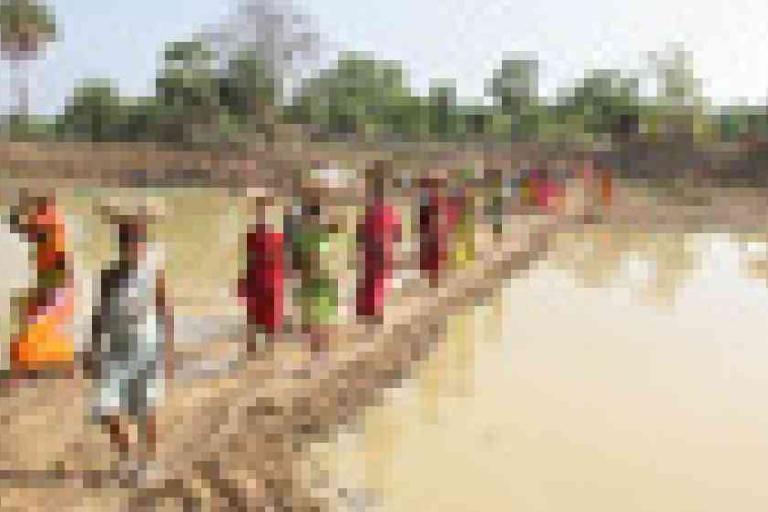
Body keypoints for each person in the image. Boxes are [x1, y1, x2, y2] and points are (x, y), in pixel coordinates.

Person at [88, 203, 173, 483]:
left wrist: (168, 350)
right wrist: (93, 349)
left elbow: (165, 310)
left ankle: (151, 461)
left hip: (148, 345)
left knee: (146, 408)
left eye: (137, 239)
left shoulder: (154, 272)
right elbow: (98, 315)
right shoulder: (108, 276)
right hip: (117, 348)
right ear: (120, 244)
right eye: (126, 239)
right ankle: (127, 453)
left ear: (144, 243)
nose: (132, 246)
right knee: (105, 408)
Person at [7, 194, 75, 379]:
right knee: (35, 319)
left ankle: (38, 361)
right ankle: (41, 361)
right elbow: (28, 231)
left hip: (56, 283)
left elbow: (61, 263)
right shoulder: (50, 225)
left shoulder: (52, 226)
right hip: (52, 282)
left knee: (36, 323)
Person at [238, 191, 285, 350]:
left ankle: (265, 354)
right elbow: (249, 259)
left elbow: (278, 261)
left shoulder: (274, 235)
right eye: (261, 210)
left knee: (267, 322)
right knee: (254, 318)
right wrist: (243, 279)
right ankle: (256, 352)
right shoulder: (254, 236)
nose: (263, 214)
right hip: (259, 278)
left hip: (269, 280)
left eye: (265, 209)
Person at [356, 169, 401, 322]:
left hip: (375, 247)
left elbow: (362, 230)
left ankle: (370, 309)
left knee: (372, 278)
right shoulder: (386, 210)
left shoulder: (374, 209)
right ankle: (373, 309)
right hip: (381, 247)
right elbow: (396, 231)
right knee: (376, 278)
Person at [419, 172, 449, 287]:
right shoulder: (430, 198)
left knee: (429, 248)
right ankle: (429, 273)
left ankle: (429, 273)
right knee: (429, 247)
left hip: (429, 227)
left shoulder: (430, 198)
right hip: (429, 227)